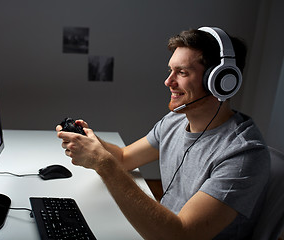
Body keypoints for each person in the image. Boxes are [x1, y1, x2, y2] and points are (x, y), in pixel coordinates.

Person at [56, 27, 270, 239]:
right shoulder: (176, 120)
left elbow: (181, 235)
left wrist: (104, 165)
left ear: (221, 81)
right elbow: (124, 158)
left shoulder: (243, 154)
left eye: (182, 72)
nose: (168, 81)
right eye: (171, 70)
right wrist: (88, 139)